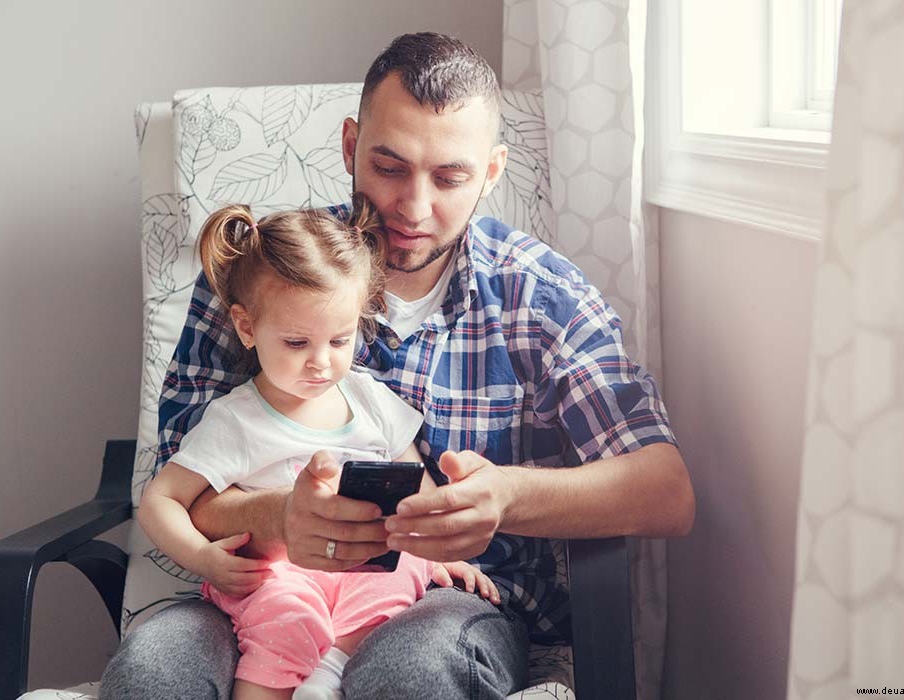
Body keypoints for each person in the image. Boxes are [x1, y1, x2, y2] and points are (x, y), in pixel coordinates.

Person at [101, 32, 694, 700]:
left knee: (408, 675)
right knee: (154, 672)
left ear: (492, 172)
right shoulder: (266, 273)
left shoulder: (542, 296)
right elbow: (179, 491)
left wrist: (504, 496)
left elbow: (665, 491)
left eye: (449, 178)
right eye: (389, 167)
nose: (414, 208)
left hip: (438, 599)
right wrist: (278, 518)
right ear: (351, 146)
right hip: (255, 593)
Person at [136, 195, 500, 700]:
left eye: (339, 340)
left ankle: (330, 670)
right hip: (280, 572)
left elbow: (413, 484)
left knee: (398, 581)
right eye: (296, 343)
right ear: (247, 328)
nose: (321, 363)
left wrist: (435, 552)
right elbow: (161, 499)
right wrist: (203, 557)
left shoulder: (368, 398)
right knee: (287, 617)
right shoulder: (236, 419)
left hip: (365, 564)